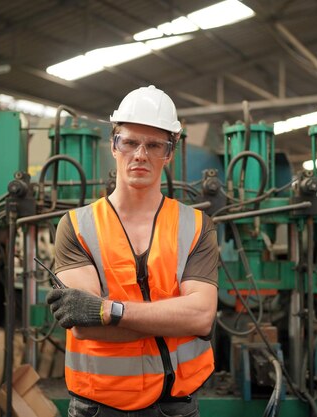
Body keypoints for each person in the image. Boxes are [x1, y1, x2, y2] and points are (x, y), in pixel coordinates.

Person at [46, 85, 219, 417]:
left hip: (178, 407)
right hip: (99, 406)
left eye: (154, 145)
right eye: (129, 142)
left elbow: (201, 316)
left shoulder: (196, 225)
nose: (140, 154)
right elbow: (83, 323)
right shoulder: (77, 225)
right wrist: (174, 318)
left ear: (170, 152)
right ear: (114, 145)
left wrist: (110, 311)